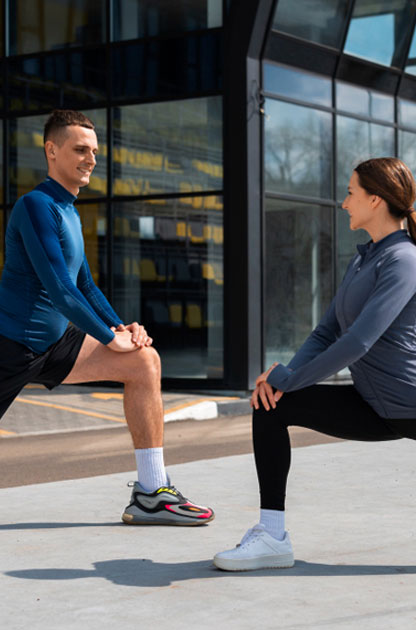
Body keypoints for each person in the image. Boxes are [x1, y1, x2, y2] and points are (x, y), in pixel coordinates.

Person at [0, 109, 214, 526]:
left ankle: (152, 493)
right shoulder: (36, 206)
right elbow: (60, 288)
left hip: (54, 344)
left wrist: (121, 327)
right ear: (51, 150)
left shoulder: (69, 210)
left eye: (94, 151)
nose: (91, 159)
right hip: (10, 344)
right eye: (80, 149)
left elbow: (85, 285)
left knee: (143, 361)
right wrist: (107, 336)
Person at [214, 157, 416, 571]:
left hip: (410, 401)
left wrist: (291, 379)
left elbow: (358, 341)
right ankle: (272, 538)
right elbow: (327, 332)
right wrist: (283, 381)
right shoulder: (362, 261)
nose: (344, 203)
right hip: (375, 406)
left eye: (351, 193)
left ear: (375, 200)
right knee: (271, 406)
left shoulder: (404, 260)